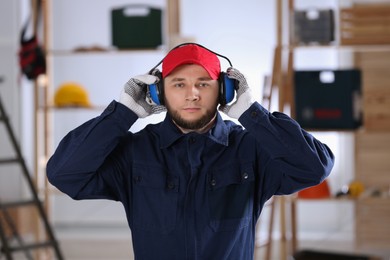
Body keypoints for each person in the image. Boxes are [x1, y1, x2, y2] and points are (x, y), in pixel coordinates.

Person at [47, 43, 334, 260]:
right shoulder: (136, 151)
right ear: (159, 93)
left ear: (223, 90)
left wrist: (252, 114)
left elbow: (314, 167)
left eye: (203, 84)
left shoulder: (250, 149)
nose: (191, 94)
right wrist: (122, 114)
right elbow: (64, 174)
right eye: (179, 84)